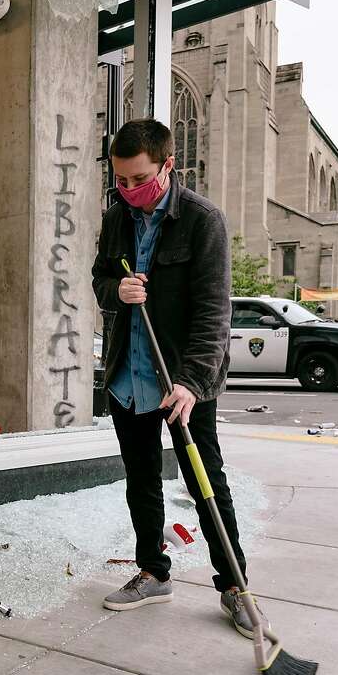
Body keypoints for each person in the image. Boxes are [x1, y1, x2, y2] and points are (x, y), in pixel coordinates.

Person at [90, 118, 261, 638]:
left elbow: (214, 313)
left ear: (168, 166)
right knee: (141, 479)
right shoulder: (117, 218)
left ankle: (234, 586)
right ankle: (152, 571)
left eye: (137, 179)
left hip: (182, 382)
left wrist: (191, 381)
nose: (127, 190)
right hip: (129, 374)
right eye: (119, 180)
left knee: (205, 480)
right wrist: (115, 291)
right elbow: (100, 276)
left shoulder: (202, 220)